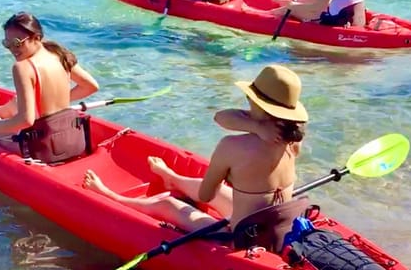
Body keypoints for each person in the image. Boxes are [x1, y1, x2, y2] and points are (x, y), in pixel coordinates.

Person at [83, 64, 308, 233]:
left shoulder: (232, 147)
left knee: (167, 204)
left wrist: (252, 127)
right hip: (279, 227)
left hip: (241, 236)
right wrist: (257, 126)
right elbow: (223, 117)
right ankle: (171, 177)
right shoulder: (293, 141)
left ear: (254, 101)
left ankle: (110, 196)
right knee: (222, 191)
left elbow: (205, 195)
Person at [0, 12, 99, 155]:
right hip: (71, 139)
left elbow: (26, 121)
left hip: (41, 148)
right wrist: (53, 102)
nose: (12, 49)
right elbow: (90, 86)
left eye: (17, 43)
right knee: (18, 102)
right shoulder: (59, 54)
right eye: (7, 44)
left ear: (36, 37)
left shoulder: (23, 67)